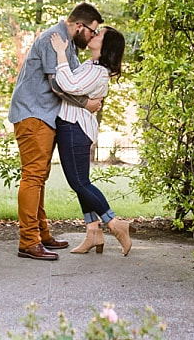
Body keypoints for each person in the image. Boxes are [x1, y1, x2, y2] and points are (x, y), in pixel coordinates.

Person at [8, 2, 104, 261]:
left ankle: (41, 234)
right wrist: (87, 103)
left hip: (43, 116)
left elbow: (71, 82)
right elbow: (58, 85)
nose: (94, 36)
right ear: (79, 26)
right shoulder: (56, 37)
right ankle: (28, 241)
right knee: (33, 176)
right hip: (33, 114)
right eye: (93, 31)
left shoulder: (69, 44)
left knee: (39, 177)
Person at [49, 26, 133, 255]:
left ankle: (115, 223)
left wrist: (59, 53)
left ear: (107, 45)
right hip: (73, 126)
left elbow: (67, 85)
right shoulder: (91, 66)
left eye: (100, 34)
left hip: (74, 127)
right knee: (82, 182)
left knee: (79, 183)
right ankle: (93, 232)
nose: (94, 34)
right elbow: (66, 86)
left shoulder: (98, 71)